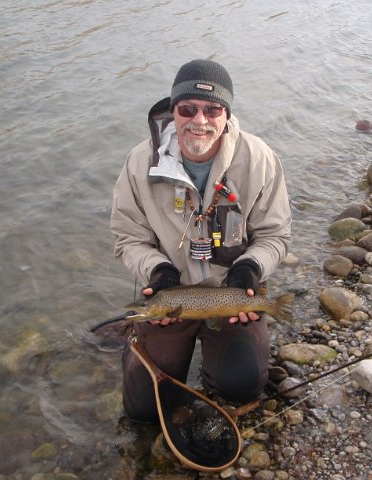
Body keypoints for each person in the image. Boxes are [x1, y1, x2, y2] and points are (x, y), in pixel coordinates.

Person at [110, 59, 292, 422]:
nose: (200, 120)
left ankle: (218, 369)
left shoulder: (259, 158)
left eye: (213, 109)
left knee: (242, 383)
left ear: (226, 114)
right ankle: (152, 351)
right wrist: (157, 269)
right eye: (187, 109)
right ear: (172, 111)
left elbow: (275, 234)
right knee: (143, 409)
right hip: (172, 292)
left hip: (232, 292)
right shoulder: (139, 162)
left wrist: (251, 268)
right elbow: (128, 239)